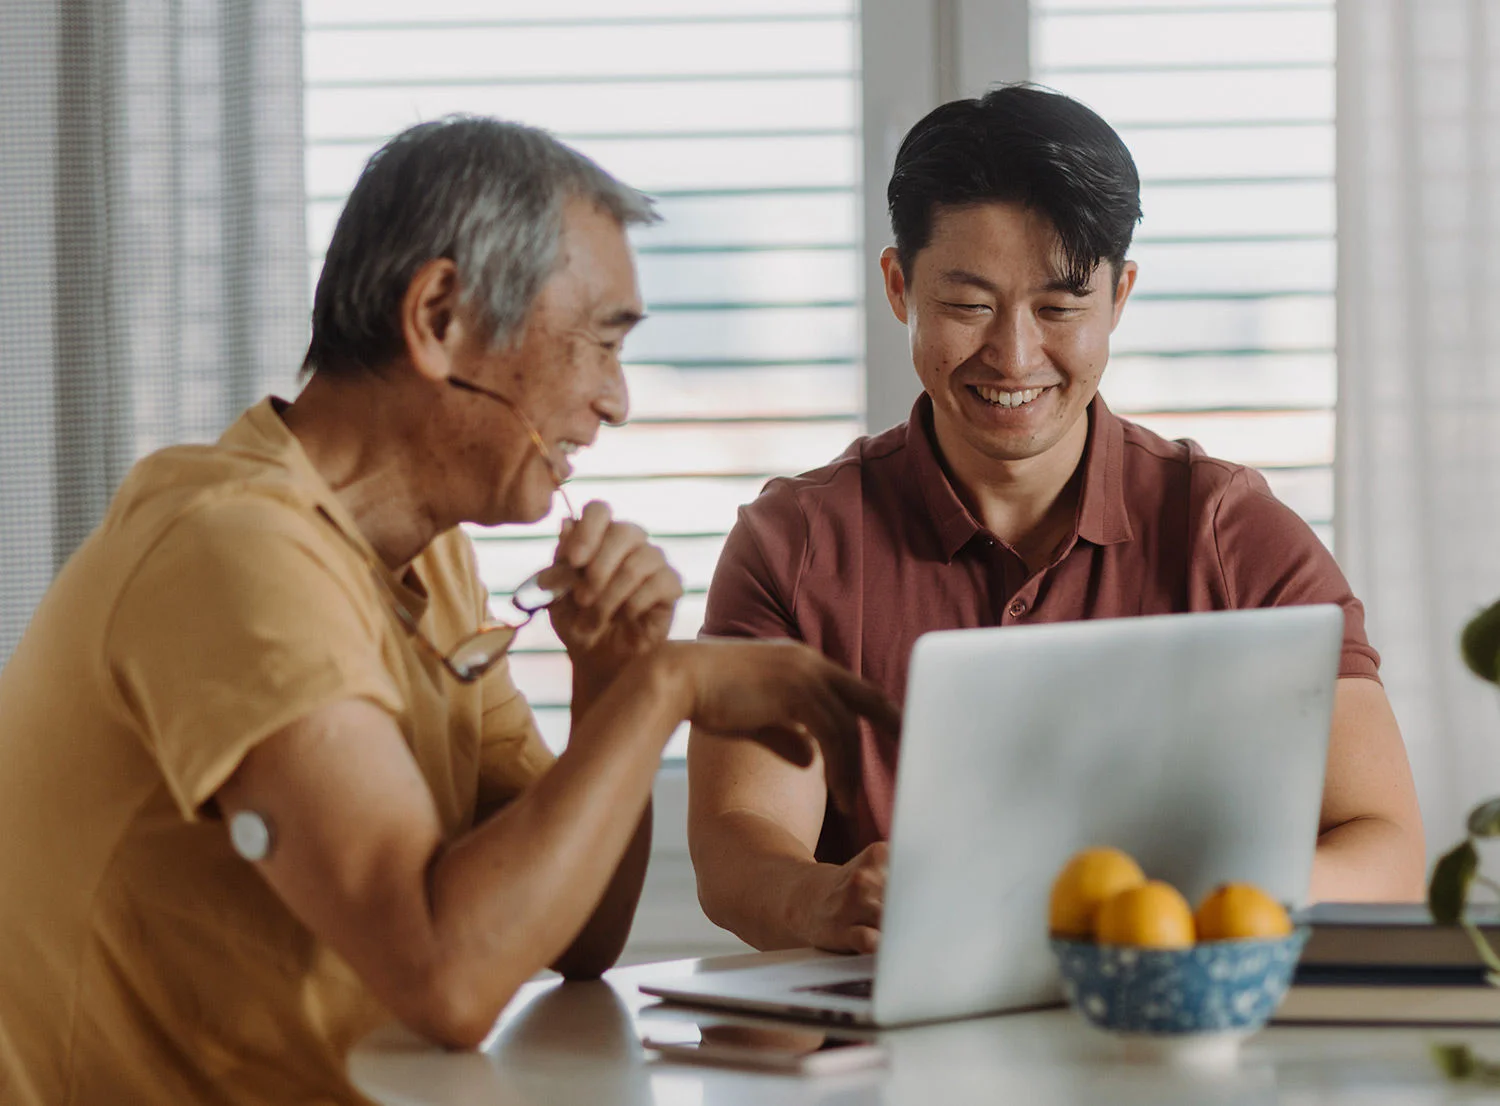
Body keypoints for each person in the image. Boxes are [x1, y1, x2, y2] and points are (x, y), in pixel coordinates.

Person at [0, 118, 897, 1106]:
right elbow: (448, 978)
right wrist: (666, 685)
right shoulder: (233, 549)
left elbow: (578, 934)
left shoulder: (435, 561)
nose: (617, 399)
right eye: (600, 341)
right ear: (437, 316)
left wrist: (607, 677)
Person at [687, 85, 1427, 957]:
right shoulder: (795, 545)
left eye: (1060, 307)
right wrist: (822, 899)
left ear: (1120, 297)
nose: (1014, 355)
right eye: (968, 305)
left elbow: (1384, 844)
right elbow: (741, 835)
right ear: (899, 287)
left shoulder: (1231, 534)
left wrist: (1182, 912)